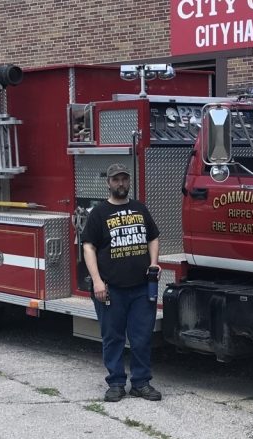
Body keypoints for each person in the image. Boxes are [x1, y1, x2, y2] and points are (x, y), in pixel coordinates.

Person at [81, 163, 161, 402]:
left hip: (141, 288)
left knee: (141, 338)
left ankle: (141, 383)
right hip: (110, 289)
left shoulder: (140, 208)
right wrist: (97, 281)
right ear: (108, 183)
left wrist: (154, 264)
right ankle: (116, 383)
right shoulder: (99, 213)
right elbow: (88, 247)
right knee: (113, 339)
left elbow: (153, 237)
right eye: (116, 179)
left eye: (124, 179)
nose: (121, 183)